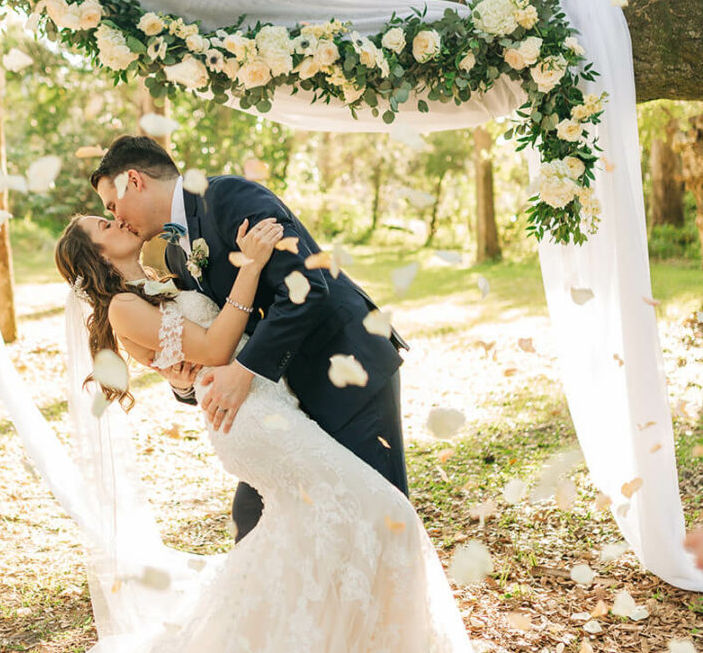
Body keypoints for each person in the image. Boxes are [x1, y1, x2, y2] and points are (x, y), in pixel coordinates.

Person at [54, 207, 473, 652]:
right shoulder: (121, 306)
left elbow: (194, 355)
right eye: (103, 226)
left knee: (304, 532)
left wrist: (181, 373)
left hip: (268, 405)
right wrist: (249, 266)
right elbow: (216, 347)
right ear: (95, 257)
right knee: (384, 510)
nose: (116, 220)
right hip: (250, 422)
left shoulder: (158, 280)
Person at [89, 135, 410, 541]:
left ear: (134, 180)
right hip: (283, 398)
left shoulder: (229, 197)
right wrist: (184, 380)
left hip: (345, 367)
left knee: (381, 518)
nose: (117, 218)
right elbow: (216, 333)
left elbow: (305, 287)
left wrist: (244, 371)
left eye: (113, 206)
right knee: (258, 524)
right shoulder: (173, 253)